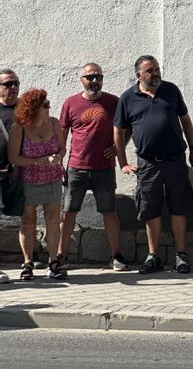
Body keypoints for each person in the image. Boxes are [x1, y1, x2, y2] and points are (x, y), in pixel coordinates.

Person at [114, 55, 193, 274]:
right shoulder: (128, 98)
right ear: (139, 75)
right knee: (150, 209)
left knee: (178, 206)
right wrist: (122, 163)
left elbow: (186, 121)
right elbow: (119, 131)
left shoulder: (171, 90)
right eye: (150, 71)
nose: (155, 74)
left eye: (157, 69)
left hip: (175, 160)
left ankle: (181, 255)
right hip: (148, 164)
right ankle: (153, 256)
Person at [57, 63, 128, 272]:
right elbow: (62, 137)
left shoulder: (113, 102)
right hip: (76, 167)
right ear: (82, 80)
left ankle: (116, 256)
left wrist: (117, 148)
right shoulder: (70, 103)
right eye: (90, 77)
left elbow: (127, 127)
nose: (94, 81)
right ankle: (61, 256)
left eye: (98, 76)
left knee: (109, 212)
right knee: (69, 212)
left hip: (103, 168)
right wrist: (60, 164)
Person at [8, 89, 66, 280]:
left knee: (53, 220)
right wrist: (39, 161)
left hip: (52, 178)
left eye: (48, 104)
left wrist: (59, 156)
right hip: (28, 181)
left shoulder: (54, 123)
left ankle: (54, 262)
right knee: (28, 222)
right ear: (34, 109)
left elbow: (62, 148)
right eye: (45, 105)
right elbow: (13, 157)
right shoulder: (20, 128)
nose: (49, 107)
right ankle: (27, 262)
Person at [0, 68, 21, 283]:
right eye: (7, 84)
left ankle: (27, 264)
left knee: (28, 217)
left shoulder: (25, 110)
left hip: (20, 173)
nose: (13, 87)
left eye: (15, 83)